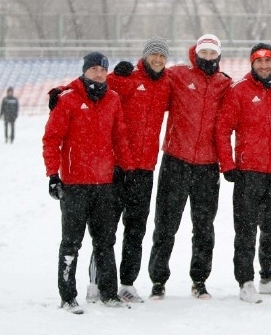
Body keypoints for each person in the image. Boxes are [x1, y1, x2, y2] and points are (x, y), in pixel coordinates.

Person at [42, 51, 134, 314]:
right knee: (71, 242)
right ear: (84, 71)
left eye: (103, 69)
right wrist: (53, 175)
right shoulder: (68, 99)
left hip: (104, 183)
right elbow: (52, 139)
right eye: (94, 69)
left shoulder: (112, 98)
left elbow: (119, 136)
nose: (99, 73)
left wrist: (126, 168)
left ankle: (108, 293)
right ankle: (68, 296)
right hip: (75, 184)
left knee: (105, 241)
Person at [81, 38, 171, 303]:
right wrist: (58, 92)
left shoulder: (168, 84)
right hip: (117, 166)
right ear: (145, 56)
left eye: (162, 56)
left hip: (144, 169)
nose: (157, 59)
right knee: (106, 229)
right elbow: (90, 84)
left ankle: (127, 283)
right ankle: (95, 282)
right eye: (153, 54)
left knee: (136, 229)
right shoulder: (125, 78)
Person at [215, 42, 271, 304]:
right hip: (248, 172)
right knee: (246, 230)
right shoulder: (239, 90)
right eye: (259, 61)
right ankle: (245, 281)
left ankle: (267, 276)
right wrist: (227, 164)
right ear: (252, 63)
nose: (264, 66)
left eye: (268, 61)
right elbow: (222, 129)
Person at [148, 34, 232, 301]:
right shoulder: (178, 75)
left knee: (204, 227)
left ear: (219, 56)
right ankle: (158, 279)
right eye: (204, 52)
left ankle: (199, 280)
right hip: (176, 160)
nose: (208, 57)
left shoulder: (225, 84)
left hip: (208, 166)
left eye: (212, 53)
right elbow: (148, 79)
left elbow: (248, 95)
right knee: (165, 224)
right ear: (196, 53)